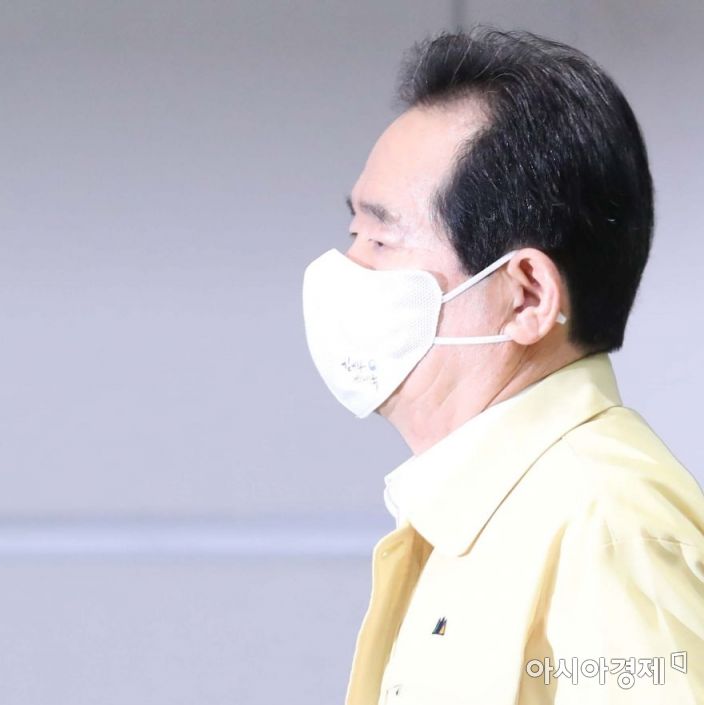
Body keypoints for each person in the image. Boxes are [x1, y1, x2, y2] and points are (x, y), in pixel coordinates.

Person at [301, 26, 704, 704]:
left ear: (526, 297)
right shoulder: (490, 515)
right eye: (353, 233)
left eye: (381, 238)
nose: (346, 268)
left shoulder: (606, 529)